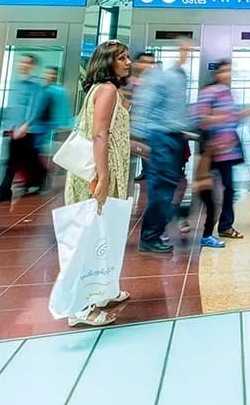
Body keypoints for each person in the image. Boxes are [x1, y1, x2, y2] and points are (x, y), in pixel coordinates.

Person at [64, 40, 134, 328]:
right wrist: (102, 177)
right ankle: (79, 307)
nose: (128, 62)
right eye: (122, 58)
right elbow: (99, 135)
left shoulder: (107, 90)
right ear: (108, 63)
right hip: (98, 171)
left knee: (105, 234)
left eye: (127, 57)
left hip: (107, 167)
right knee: (90, 238)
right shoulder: (106, 90)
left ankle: (103, 290)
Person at [135, 40, 193, 253]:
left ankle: (155, 232)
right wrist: (142, 141)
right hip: (161, 138)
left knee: (168, 187)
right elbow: (143, 111)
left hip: (173, 138)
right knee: (161, 189)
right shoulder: (159, 80)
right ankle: (150, 237)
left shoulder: (176, 77)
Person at [193, 60, 248, 245]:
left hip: (229, 152)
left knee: (228, 189)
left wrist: (242, 115)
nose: (228, 75)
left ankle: (225, 226)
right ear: (217, 74)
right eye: (224, 71)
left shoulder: (228, 93)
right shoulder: (209, 92)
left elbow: (231, 119)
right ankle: (196, 225)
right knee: (207, 192)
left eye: (230, 71)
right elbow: (199, 119)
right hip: (212, 152)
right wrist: (218, 119)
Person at [0, 54, 50, 204]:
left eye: (27, 63)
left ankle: (4, 191)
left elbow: (35, 106)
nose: (23, 65)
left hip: (26, 130)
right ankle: (41, 177)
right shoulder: (16, 83)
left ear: (33, 66)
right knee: (28, 158)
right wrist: (8, 126)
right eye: (22, 62)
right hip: (14, 128)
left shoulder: (36, 85)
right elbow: (13, 107)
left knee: (12, 162)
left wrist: (26, 125)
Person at [124, 51, 157, 184]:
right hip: (134, 125)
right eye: (145, 62)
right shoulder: (129, 81)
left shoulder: (156, 84)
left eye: (151, 63)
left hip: (151, 126)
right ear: (137, 64)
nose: (148, 66)